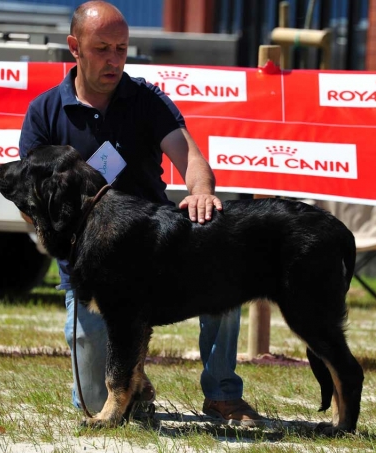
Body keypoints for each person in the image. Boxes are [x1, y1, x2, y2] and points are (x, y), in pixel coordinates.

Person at [18, 0, 263, 427]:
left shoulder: (147, 100)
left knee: (227, 277)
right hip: (89, 265)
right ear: (74, 47)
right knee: (93, 403)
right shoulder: (44, 112)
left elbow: (190, 158)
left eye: (122, 49)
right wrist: (53, 235)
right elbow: (28, 197)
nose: (114, 60)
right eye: (102, 49)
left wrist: (202, 191)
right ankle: (133, 383)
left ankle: (223, 395)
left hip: (156, 252)